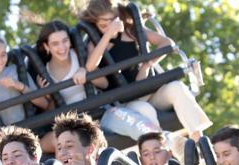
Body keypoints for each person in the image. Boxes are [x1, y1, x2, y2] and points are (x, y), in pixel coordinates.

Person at [80, 0, 212, 141]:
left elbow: (167, 43)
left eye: (113, 22)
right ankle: (164, 149)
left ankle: (199, 140)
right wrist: (108, 34)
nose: (110, 27)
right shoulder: (96, 44)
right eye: (103, 25)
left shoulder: (131, 31)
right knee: (145, 110)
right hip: (128, 102)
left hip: (150, 91)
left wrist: (148, 63)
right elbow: (90, 67)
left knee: (177, 88)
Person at [34, 20, 160, 151]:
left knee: (133, 123)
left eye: (65, 41)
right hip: (76, 126)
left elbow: (104, 84)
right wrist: (48, 94)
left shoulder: (80, 56)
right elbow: (53, 111)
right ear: (46, 46)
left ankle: (164, 143)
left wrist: (88, 73)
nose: (62, 47)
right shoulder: (45, 73)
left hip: (102, 112)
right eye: (55, 43)